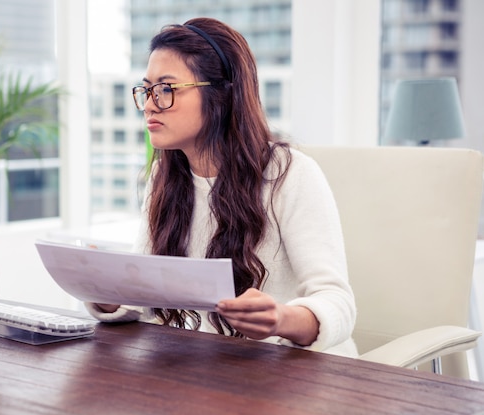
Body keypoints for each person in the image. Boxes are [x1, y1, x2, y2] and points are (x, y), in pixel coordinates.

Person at [85, 17, 357, 356]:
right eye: (147, 90)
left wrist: (281, 319)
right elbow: (148, 299)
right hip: (212, 368)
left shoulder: (291, 174)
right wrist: (109, 294)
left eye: (167, 89)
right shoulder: (164, 177)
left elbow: (339, 305)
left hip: (296, 374)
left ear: (221, 94)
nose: (151, 104)